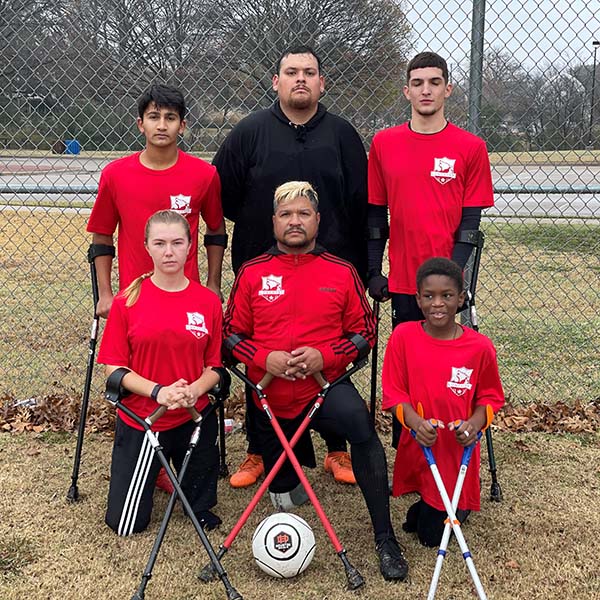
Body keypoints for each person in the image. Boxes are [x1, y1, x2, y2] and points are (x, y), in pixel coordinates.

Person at [223, 181, 408, 581]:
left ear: (317, 220)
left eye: (303, 213)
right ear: (274, 222)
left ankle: (384, 536)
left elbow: (367, 333)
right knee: (288, 499)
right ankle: (285, 473)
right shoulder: (252, 272)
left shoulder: (340, 272)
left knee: (359, 421)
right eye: (286, 214)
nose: (295, 221)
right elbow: (229, 334)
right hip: (269, 399)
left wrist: (325, 357)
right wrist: (262, 357)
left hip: (322, 391)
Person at [214, 45, 367, 487]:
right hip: (262, 268)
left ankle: (337, 449)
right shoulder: (250, 132)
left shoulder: (341, 134)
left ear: (323, 83)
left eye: (309, 72)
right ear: (276, 81)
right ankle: (260, 450)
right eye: (291, 72)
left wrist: (363, 265)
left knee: (328, 353)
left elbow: (361, 202)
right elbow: (222, 196)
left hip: (330, 271)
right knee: (261, 352)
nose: (300, 79)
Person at [87, 83, 226, 492]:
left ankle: (184, 457)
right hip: (135, 299)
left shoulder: (204, 174)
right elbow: (100, 236)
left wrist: (214, 284)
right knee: (139, 380)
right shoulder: (116, 174)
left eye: (170, 117)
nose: (161, 125)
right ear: (140, 123)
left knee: (192, 378)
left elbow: (216, 232)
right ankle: (143, 458)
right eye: (153, 116)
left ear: (182, 125)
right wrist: (106, 295)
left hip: (189, 297)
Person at [366, 51, 494, 446]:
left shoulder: (470, 147)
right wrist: (374, 270)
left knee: (449, 365)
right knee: (410, 367)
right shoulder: (384, 143)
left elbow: (470, 227)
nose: (426, 90)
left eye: (434, 82)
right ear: (406, 91)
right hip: (405, 280)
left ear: (447, 89)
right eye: (418, 83)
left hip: (447, 285)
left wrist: (453, 281)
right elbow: (375, 218)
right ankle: (410, 445)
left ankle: (454, 437)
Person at [97, 210, 224, 536]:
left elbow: (215, 367)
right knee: (126, 526)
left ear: (189, 247)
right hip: (146, 418)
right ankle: (153, 471)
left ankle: (192, 491)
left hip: (191, 414)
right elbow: (115, 368)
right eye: (160, 243)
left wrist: (196, 389)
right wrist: (159, 392)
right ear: (147, 247)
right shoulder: (127, 301)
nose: (169, 251)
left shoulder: (207, 302)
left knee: (200, 513)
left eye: (177, 243)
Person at [381, 257, 504, 548]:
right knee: (425, 520)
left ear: (461, 298)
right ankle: (430, 506)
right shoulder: (403, 337)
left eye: (447, 296)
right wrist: (414, 423)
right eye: (429, 296)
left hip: (455, 447)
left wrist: (474, 425)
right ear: (418, 299)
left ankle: (453, 507)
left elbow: (491, 397)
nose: (438, 303)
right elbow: (393, 393)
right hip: (420, 440)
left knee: (430, 538)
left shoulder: (480, 347)